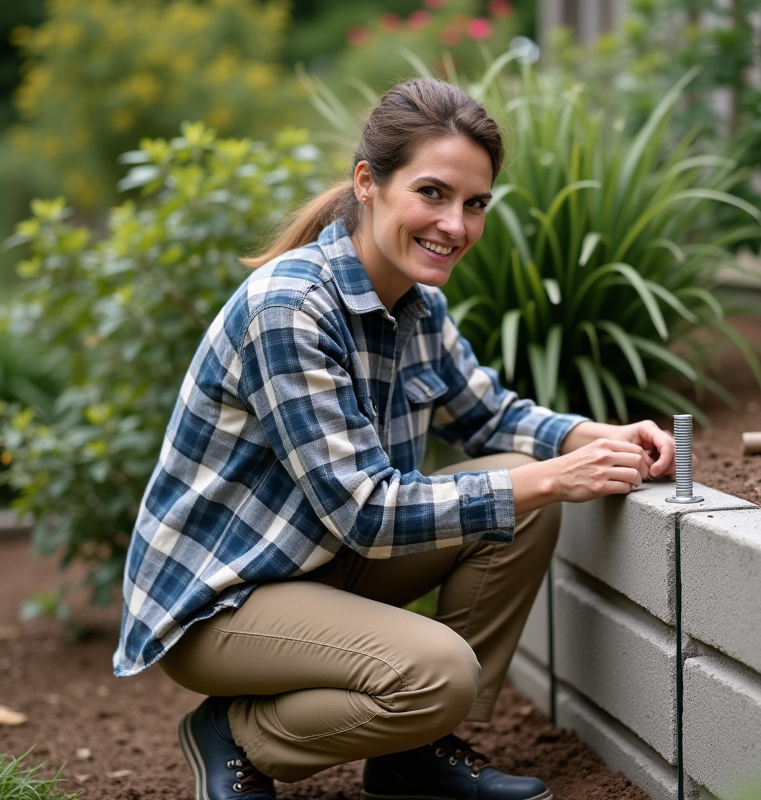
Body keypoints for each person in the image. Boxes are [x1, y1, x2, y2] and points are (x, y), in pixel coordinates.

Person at [114, 77, 677, 800]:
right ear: (367, 183)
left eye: (475, 204)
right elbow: (367, 513)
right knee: (440, 669)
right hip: (223, 600)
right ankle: (232, 733)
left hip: (317, 562)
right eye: (432, 193)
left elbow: (488, 416)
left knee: (523, 495)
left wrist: (596, 436)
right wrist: (555, 478)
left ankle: (413, 753)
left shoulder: (418, 302)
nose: (456, 225)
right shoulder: (290, 308)